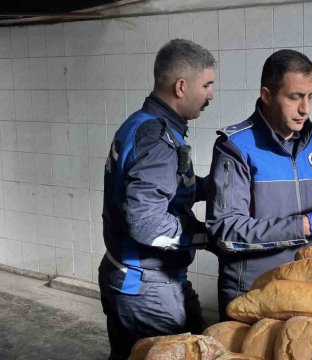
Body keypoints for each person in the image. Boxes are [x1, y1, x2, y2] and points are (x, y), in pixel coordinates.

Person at [206, 49, 312, 321]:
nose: (305, 108)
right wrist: (307, 225)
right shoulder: (235, 147)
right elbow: (226, 230)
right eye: (295, 97)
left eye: (311, 96)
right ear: (267, 95)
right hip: (256, 296)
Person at [98, 39, 215, 360]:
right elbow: (148, 223)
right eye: (206, 85)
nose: (210, 95)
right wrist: (207, 238)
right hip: (146, 286)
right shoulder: (158, 138)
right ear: (181, 86)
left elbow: (166, 189)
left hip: (126, 273)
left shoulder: (141, 124)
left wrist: (214, 187)